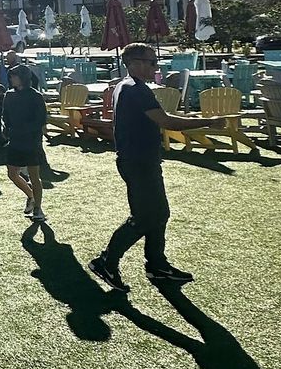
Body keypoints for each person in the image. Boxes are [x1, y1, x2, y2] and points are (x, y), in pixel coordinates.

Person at [90, 43, 213, 290]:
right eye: (151, 61)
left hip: (140, 159)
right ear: (134, 62)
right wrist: (210, 122)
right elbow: (166, 121)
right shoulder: (135, 89)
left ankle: (157, 265)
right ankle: (106, 261)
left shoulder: (126, 86)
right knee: (145, 217)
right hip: (138, 162)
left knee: (159, 214)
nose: (155, 66)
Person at [1, 65, 48, 224]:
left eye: (15, 76)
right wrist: (7, 130)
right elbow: (5, 115)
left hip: (31, 141)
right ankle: (31, 196)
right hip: (15, 141)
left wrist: (27, 131)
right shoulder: (9, 95)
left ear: (23, 77)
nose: (12, 78)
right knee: (12, 174)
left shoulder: (35, 96)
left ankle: (38, 208)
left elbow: (40, 119)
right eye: (11, 76)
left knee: (35, 176)